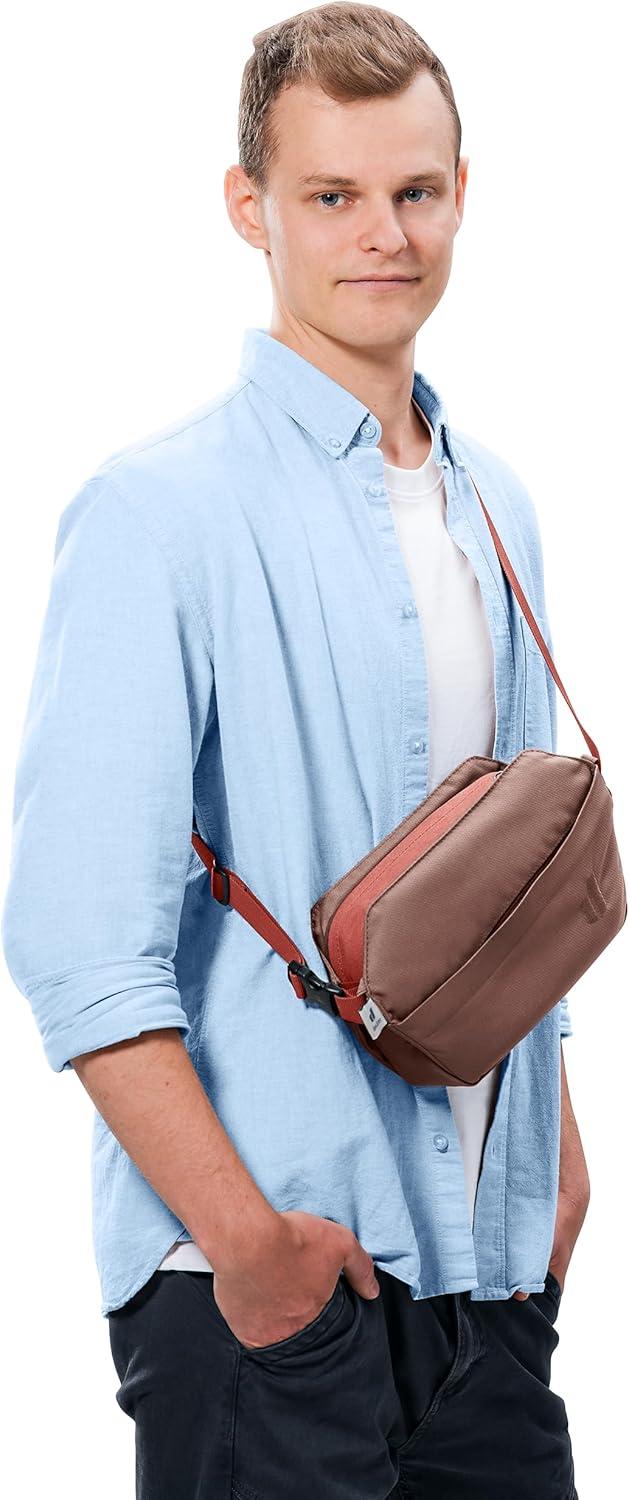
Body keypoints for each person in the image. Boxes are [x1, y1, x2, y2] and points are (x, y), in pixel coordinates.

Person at [1, 5, 590, 1497]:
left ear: (462, 194)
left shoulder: (497, 505)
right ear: (249, 207)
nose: (382, 233)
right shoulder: (157, 513)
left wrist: (559, 1165)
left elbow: (511, 895)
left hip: (489, 1282)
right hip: (268, 1295)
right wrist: (249, 1249)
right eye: (332, 194)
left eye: (415, 190)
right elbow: (77, 939)